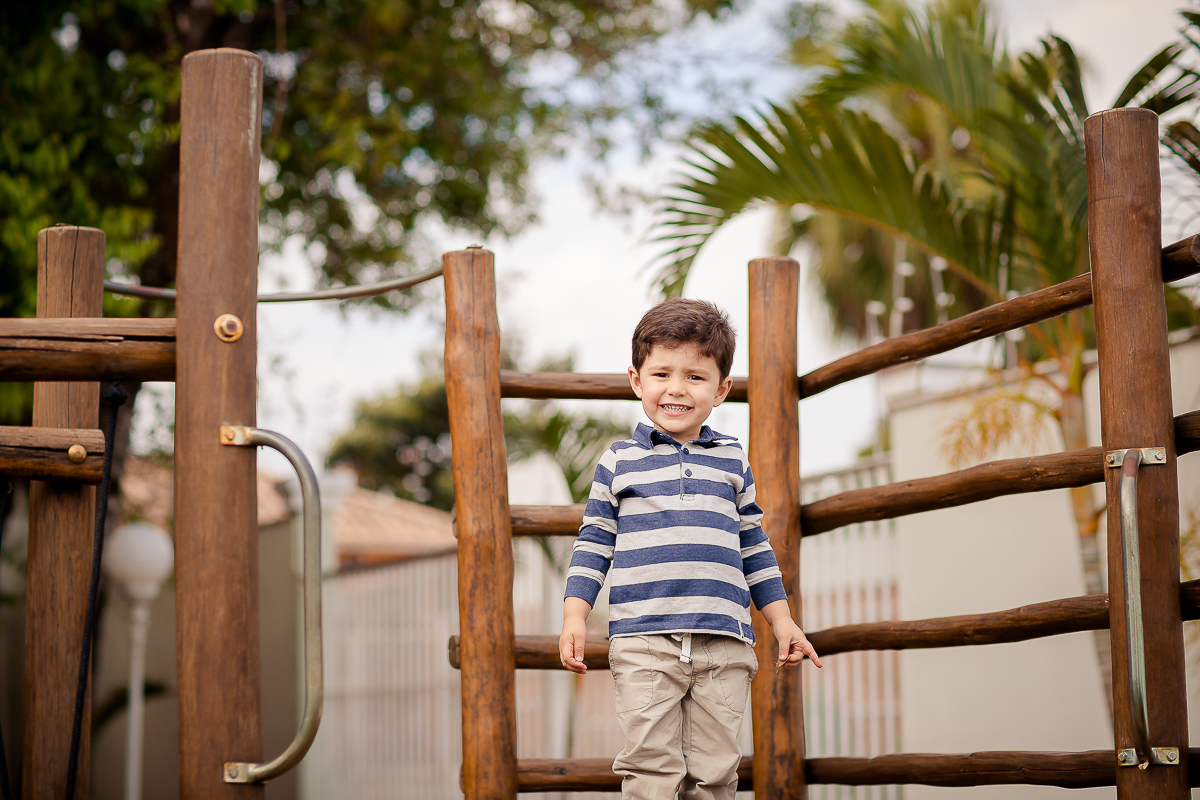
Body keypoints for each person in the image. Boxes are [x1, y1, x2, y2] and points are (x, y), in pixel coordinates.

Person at [558, 297, 822, 799]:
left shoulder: (731, 461)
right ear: (637, 380)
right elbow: (593, 542)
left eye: (695, 377)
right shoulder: (618, 462)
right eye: (661, 374)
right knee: (651, 771)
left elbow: (754, 547)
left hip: (724, 642)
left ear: (721, 389)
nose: (676, 389)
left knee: (716, 774)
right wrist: (575, 617)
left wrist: (782, 622)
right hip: (643, 643)